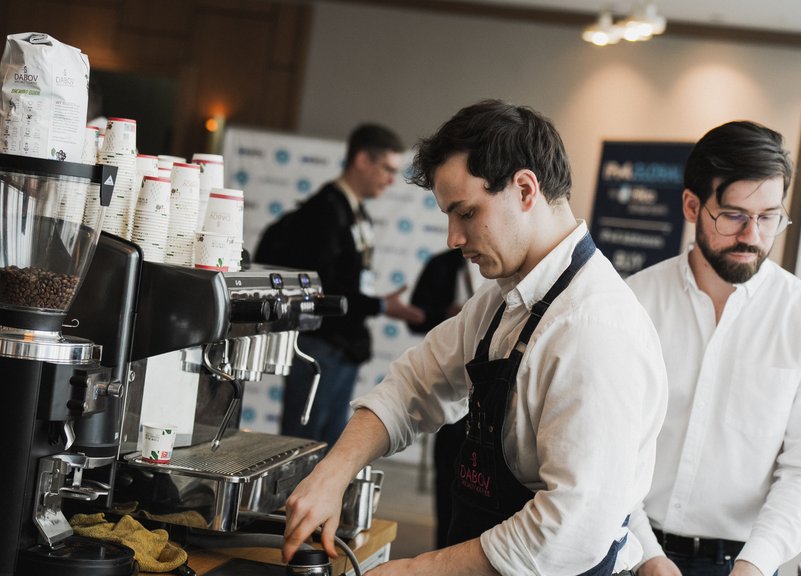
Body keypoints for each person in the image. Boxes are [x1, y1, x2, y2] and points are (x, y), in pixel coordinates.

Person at [282, 100, 668, 575]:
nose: (453, 237)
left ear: (525, 189)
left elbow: (571, 530)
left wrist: (413, 571)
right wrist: (332, 474)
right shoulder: (501, 302)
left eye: (466, 213)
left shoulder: (593, 329)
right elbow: (412, 387)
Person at [627, 121, 801, 576]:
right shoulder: (631, 304)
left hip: (744, 561)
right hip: (626, 546)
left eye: (769, 216)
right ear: (692, 205)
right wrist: (646, 554)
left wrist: (756, 563)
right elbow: (603, 444)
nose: (753, 235)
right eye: (733, 215)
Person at [271, 123, 424, 447]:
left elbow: (348, 283)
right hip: (320, 346)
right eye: (386, 168)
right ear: (361, 160)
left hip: (342, 347)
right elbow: (322, 288)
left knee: (325, 446)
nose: (391, 179)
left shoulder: (356, 213)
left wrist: (377, 303)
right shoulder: (324, 211)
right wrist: (380, 305)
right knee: (301, 446)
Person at [404, 247, 482, 549]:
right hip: (452, 387)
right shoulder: (441, 265)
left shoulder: (514, 273)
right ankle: (442, 550)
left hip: (495, 397)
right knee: (448, 476)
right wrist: (446, 317)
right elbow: (417, 317)